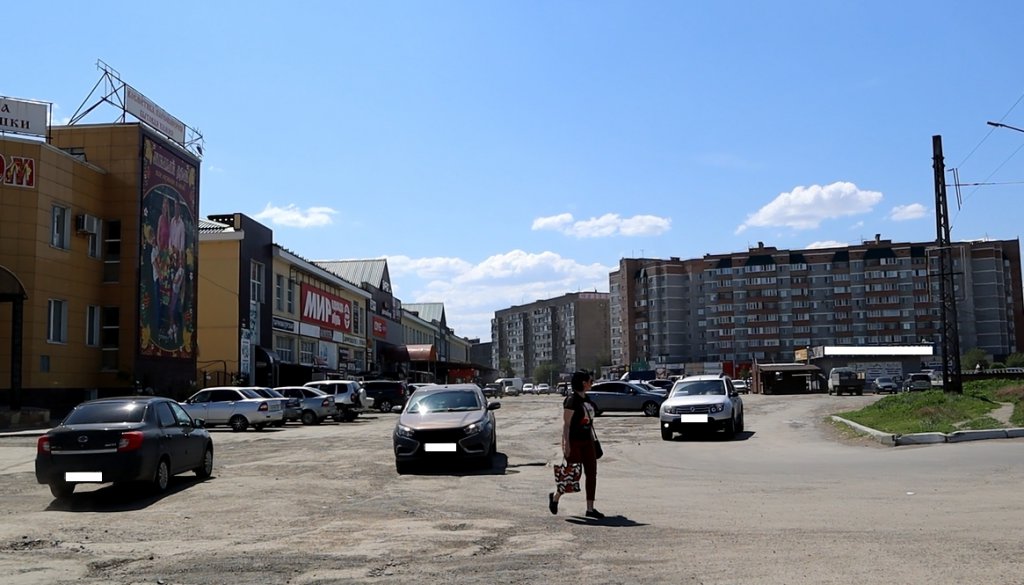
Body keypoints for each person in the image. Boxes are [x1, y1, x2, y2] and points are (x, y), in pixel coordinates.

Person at [549, 369, 604, 519]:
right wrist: (566, 444)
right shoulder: (571, 401)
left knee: (591, 474)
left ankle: (590, 509)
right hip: (574, 441)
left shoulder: (587, 399)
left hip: (588, 441)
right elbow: (566, 425)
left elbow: (589, 421)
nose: (592, 383)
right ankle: (555, 497)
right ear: (583, 383)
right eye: (590, 381)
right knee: (572, 475)